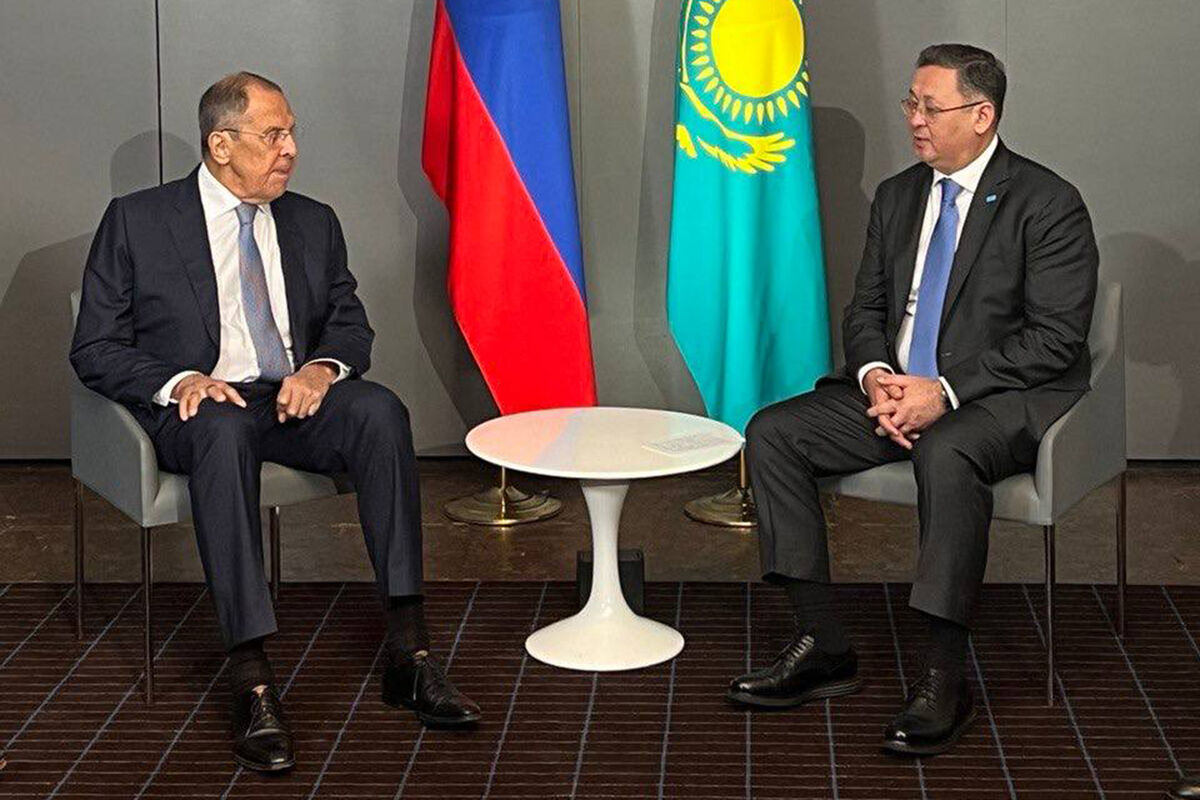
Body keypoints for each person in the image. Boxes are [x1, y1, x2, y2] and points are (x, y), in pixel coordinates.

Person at [70, 72, 480, 773]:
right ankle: (250, 676)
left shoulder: (312, 221)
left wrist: (320, 369)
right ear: (221, 145)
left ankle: (409, 652)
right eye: (273, 135)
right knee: (222, 428)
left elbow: (349, 323)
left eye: (291, 133)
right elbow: (96, 346)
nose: (290, 149)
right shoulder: (137, 221)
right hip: (195, 410)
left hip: (287, 401)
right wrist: (180, 380)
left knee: (379, 411)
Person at [728, 44, 1098, 756]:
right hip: (896, 389)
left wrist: (944, 392)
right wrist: (875, 377)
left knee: (948, 451)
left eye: (931, 107)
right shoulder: (899, 195)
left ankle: (943, 678)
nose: (914, 120)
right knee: (772, 432)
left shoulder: (1048, 203)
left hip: (997, 397)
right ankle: (822, 644)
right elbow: (866, 308)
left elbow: (1054, 339)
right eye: (911, 103)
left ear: (982, 116)